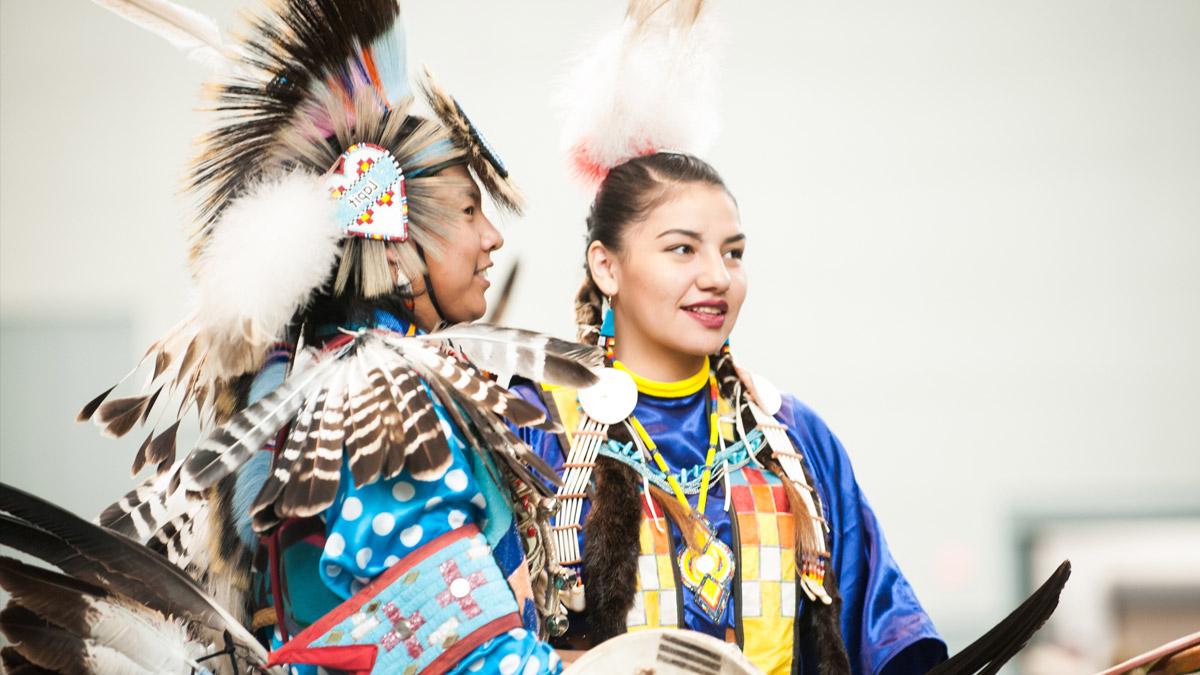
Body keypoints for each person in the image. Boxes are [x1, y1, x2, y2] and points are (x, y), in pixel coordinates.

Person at [2, 1, 596, 673]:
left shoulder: (322, 376)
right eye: (468, 210)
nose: (492, 238)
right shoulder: (378, 388)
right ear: (397, 244)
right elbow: (456, 654)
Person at [508, 2, 947, 673]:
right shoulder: (537, 427)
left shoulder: (793, 440)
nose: (717, 277)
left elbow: (883, 626)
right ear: (607, 265)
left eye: (734, 253)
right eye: (682, 249)